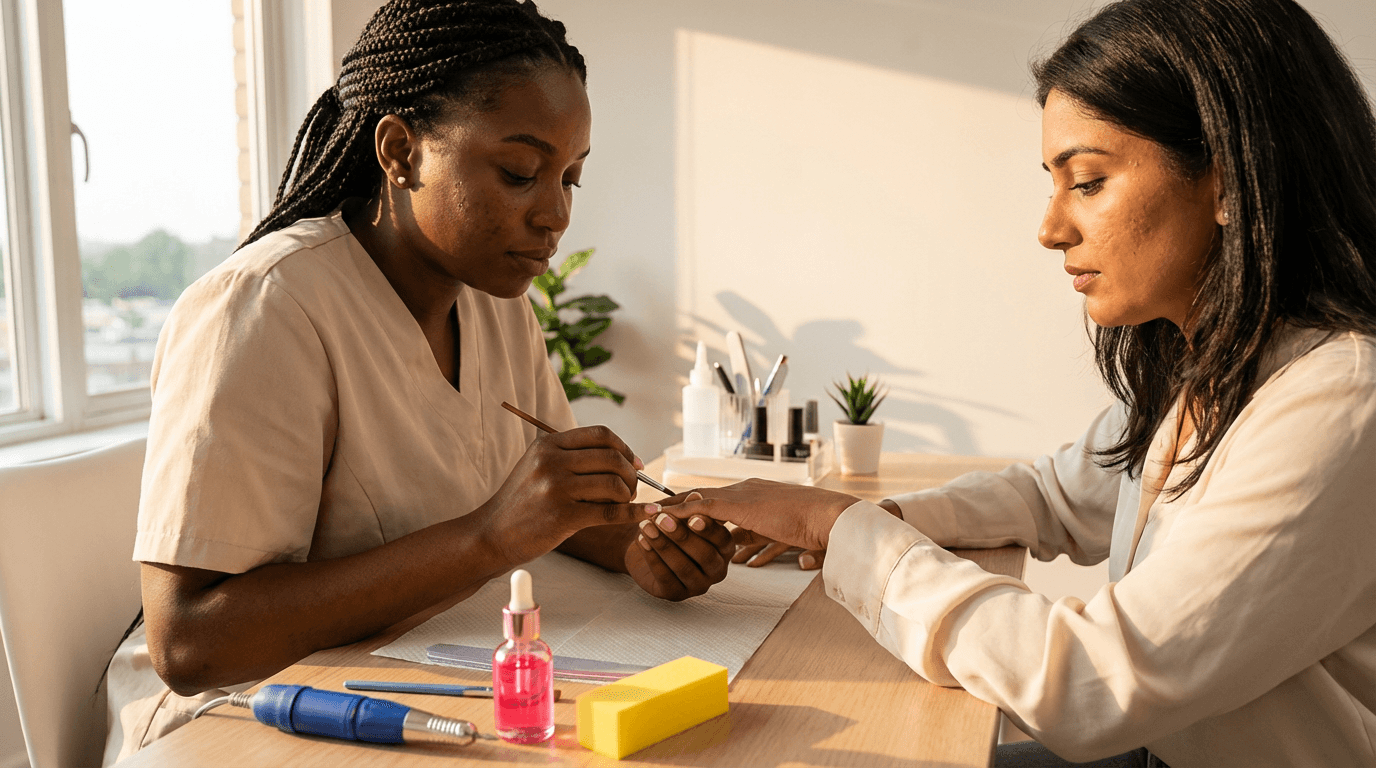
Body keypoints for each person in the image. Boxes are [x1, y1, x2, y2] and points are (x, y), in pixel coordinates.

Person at [663, 0, 1376, 766]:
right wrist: (884, 515)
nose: (1050, 228)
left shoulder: (1341, 401)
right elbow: (1055, 496)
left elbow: (1088, 684)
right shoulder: (1207, 364)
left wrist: (842, 531)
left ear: (1231, 180)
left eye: (1089, 182)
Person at [103, 1, 734, 762]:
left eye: (571, 178)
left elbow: (558, 512)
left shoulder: (498, 309)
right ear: (400, 151)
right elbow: (191, 643)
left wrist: (639, 546)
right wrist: (487, 536)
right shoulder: (267, 306)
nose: (556, 214)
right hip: (244, 723)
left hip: (406, 683)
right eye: (520, 172)